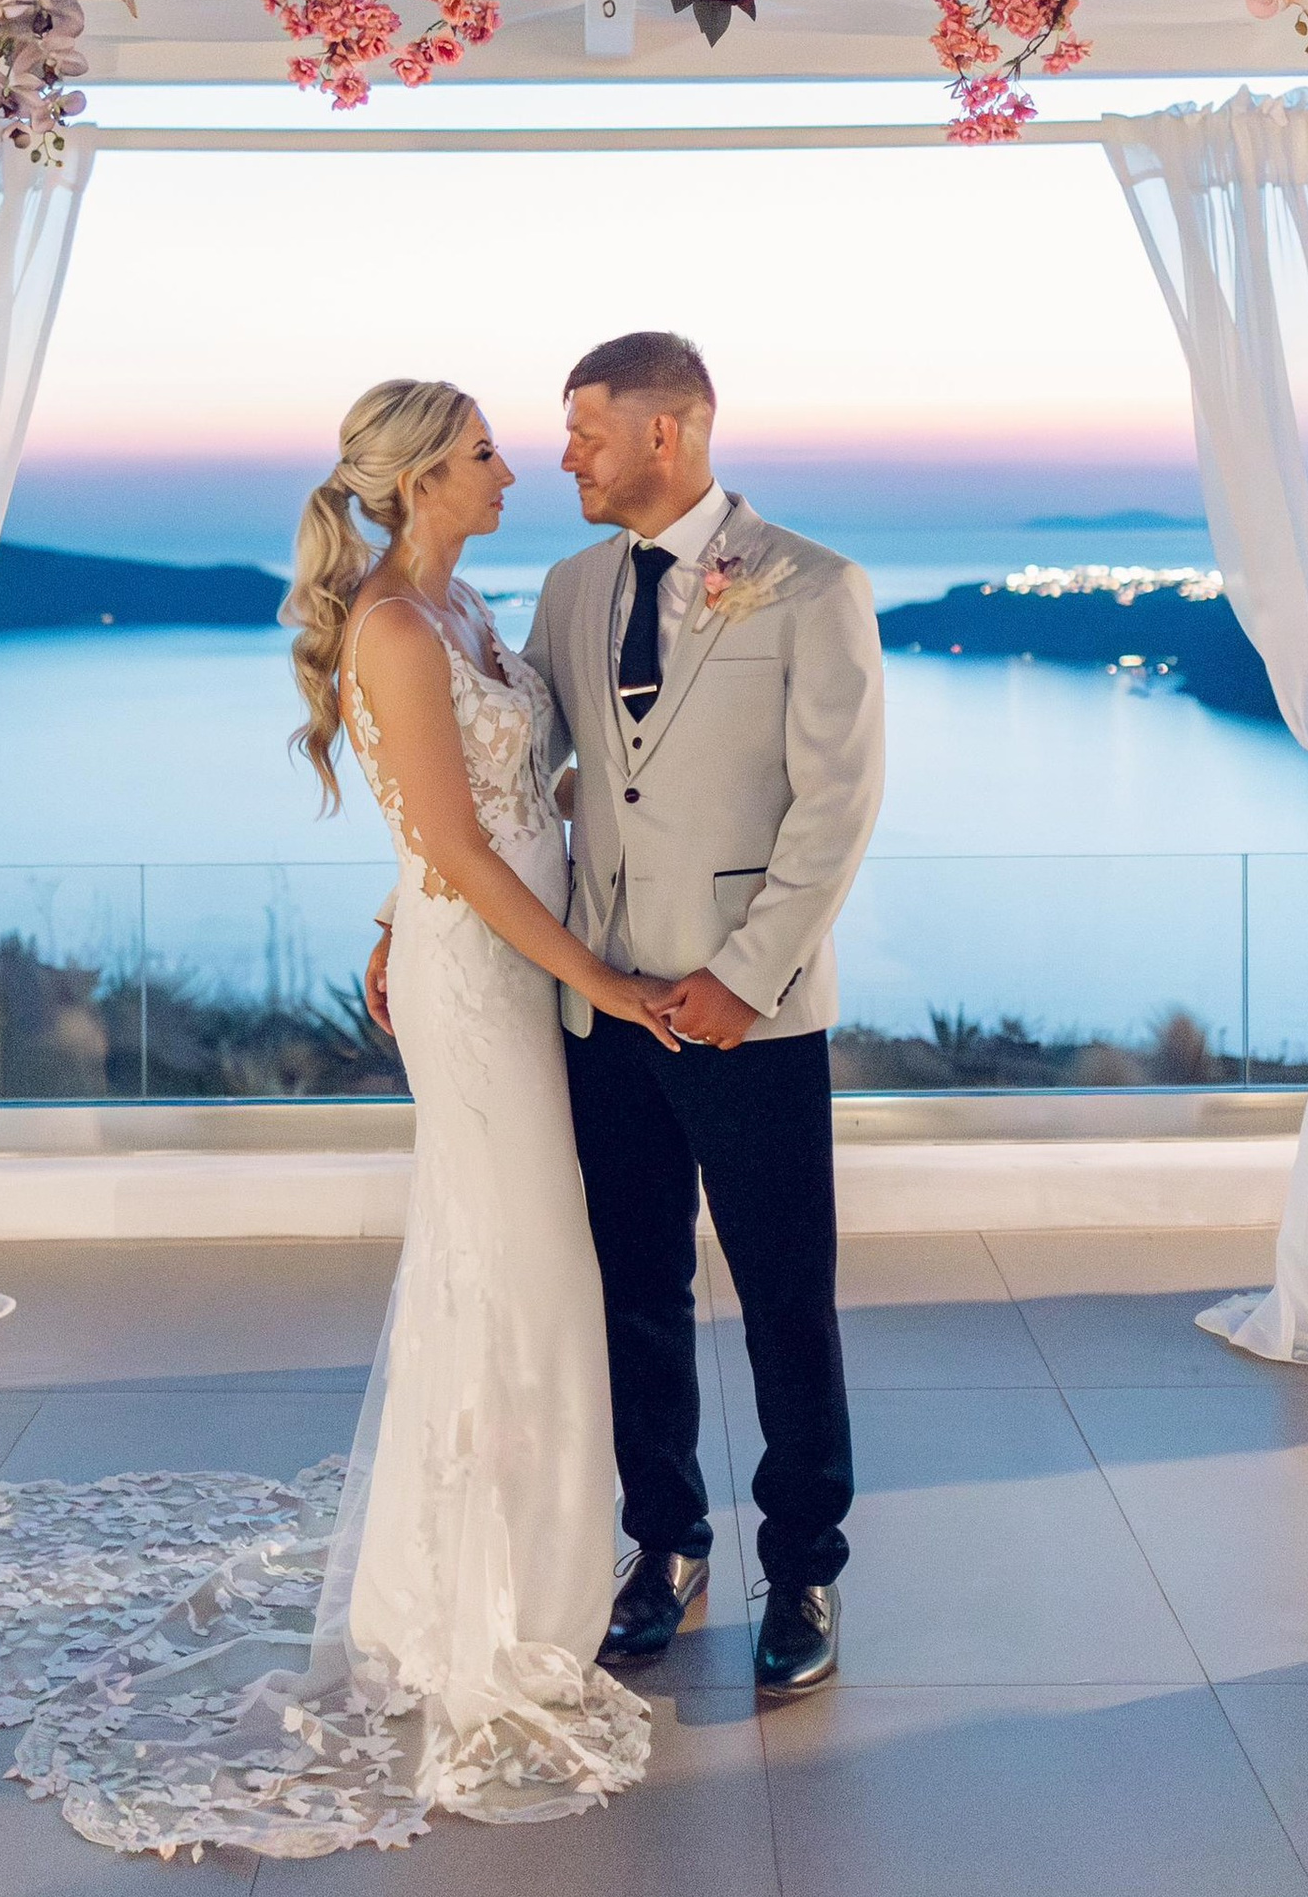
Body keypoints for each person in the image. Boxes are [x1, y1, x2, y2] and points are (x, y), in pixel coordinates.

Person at [0, 380, 663, 1863]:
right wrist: (608, 982)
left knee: (521, 1259)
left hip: (495, 957)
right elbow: (451, 837)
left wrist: (427, 905)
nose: (514, 469)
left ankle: (526, 1575)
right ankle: (470, 1611)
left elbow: (479, 815)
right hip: (489, 982)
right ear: (422, 479)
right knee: (513, 1259)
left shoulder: (464, 611)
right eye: (488, 453)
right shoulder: (390, 626)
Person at [371, 332, 885, 1696]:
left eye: (587, 428)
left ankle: (807, 1569)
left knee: (786, 1299)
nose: (565, 455)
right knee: (636, 1296)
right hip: (597, 1016)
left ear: (671, 431)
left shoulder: (815, 587)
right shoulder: (568, 585)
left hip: (749, 1015)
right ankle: (663, 1543)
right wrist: (396, 914)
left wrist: (745, 973)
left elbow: (836, 811)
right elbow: (502, 778)